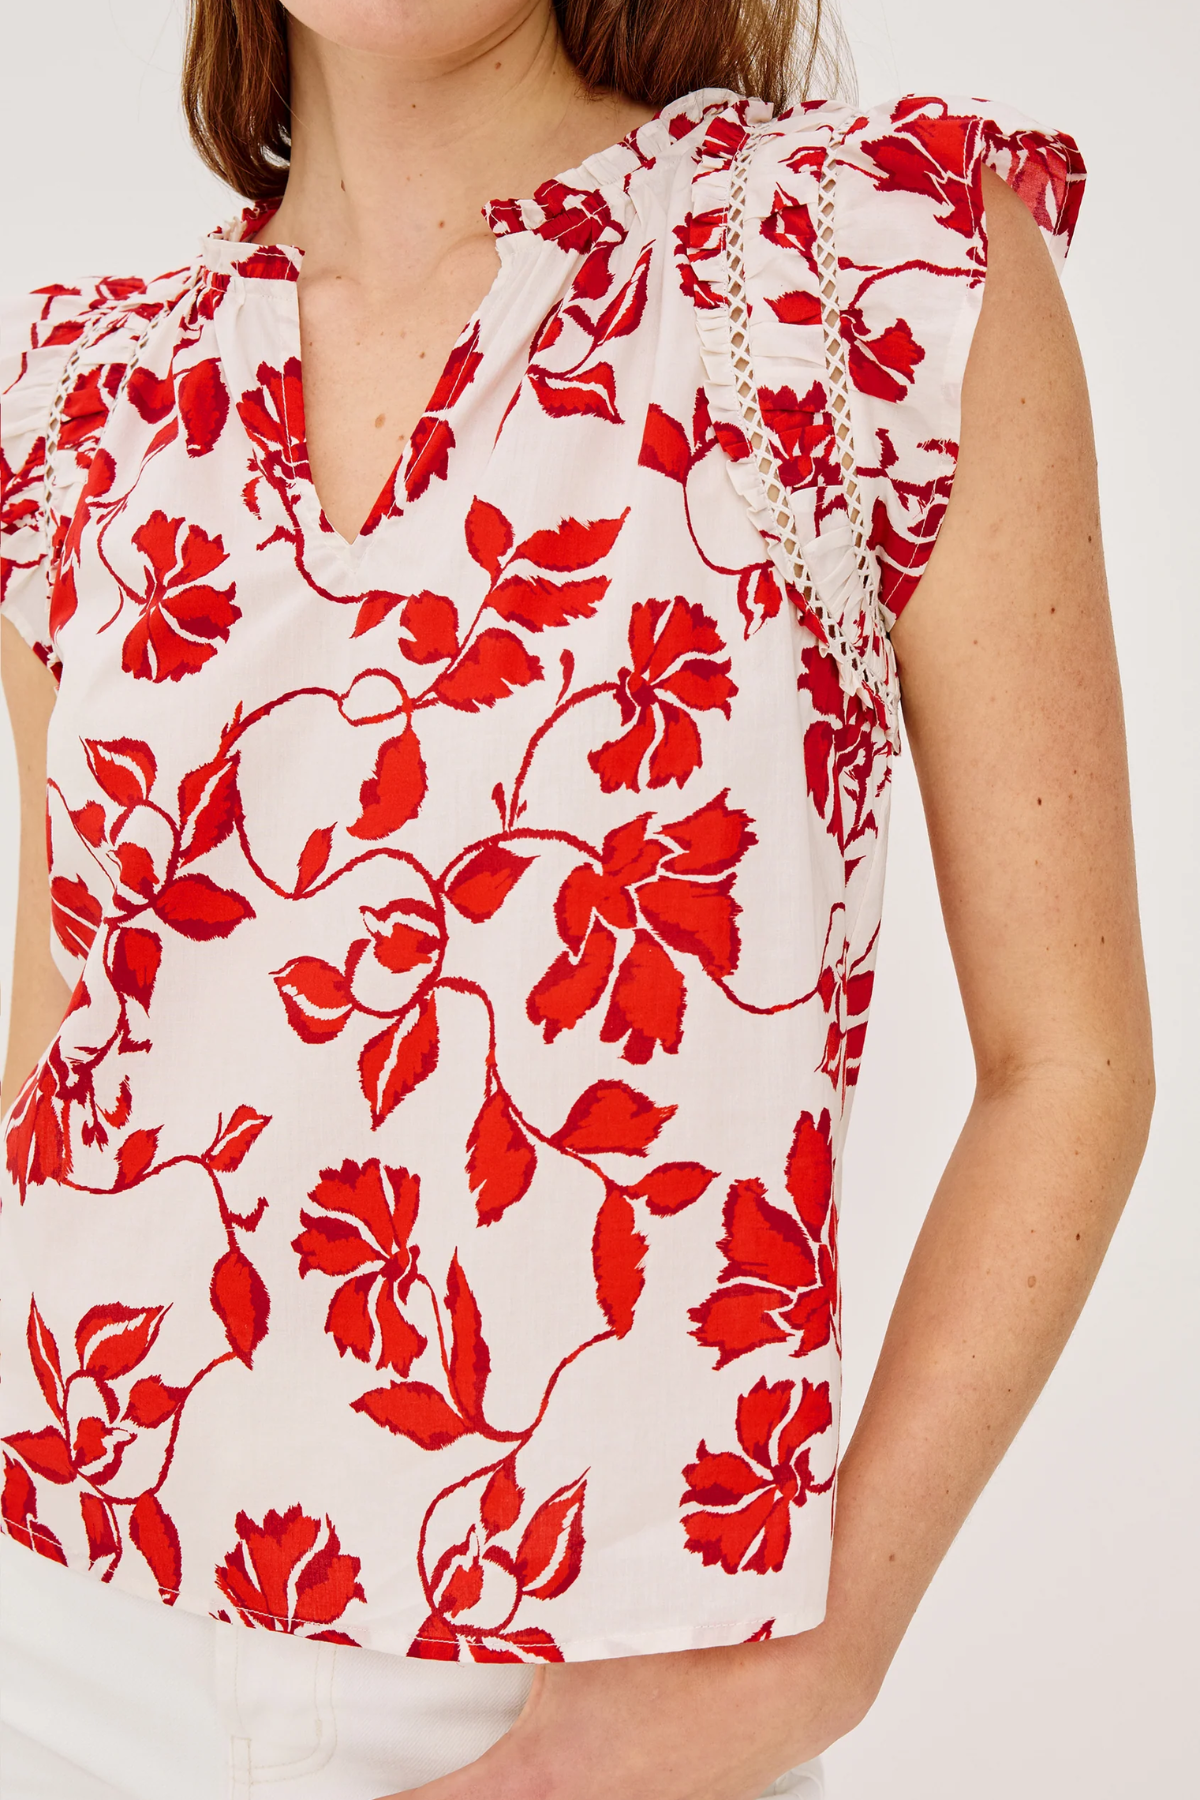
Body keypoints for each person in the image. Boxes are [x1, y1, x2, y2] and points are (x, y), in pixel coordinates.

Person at [0, 1, 1154, 1796]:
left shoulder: (861, 273)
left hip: (598, 1691)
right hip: (62, 1646)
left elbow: (1072, 1061)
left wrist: (819, 1661)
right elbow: (67, 1047)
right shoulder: (74, 399)